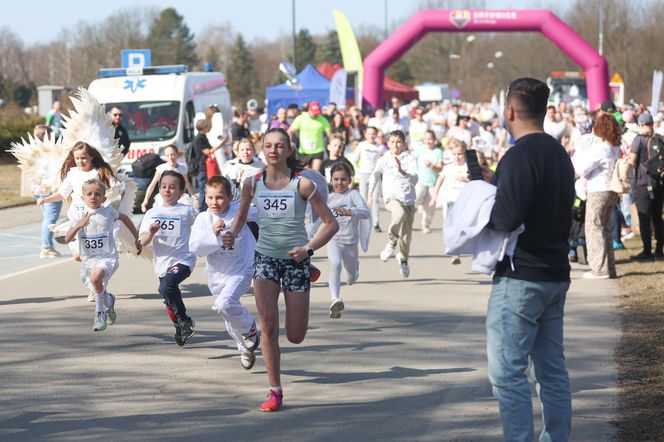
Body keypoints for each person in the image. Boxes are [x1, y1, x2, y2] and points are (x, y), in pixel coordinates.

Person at [486, 77, 575, 441]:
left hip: (522, 277)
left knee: (507, 373)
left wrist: (477, 210)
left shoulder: (519, 155)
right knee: (551, 372)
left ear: (509, 111)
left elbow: (506, 218)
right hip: (555, 272)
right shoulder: (558, 153)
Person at [226, 128, 338, 412]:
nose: (273, 150)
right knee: (269, 327)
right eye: (268, 145)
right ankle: (274, 391)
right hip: (265, 260)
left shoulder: (302, 185)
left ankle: (308, 271)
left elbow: (330, 223)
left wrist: (308, 250)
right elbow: (240, 218)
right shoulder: (252, 183)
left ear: (289, 150)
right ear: (262, 149)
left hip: (296, 261)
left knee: (296, 335)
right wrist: (231, 234)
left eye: (279, 146)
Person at [189, 176, 261, 369]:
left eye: (220, 197)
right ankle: (244, 349)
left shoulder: (241, 212)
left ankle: (250, 328)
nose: (215, 202)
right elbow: (195, 248)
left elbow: (266, 213)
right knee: (228, 315)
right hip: (217, 274)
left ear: (230, 197)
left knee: (225, 304)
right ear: (205, 197)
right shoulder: (203, 219)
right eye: (210, 198)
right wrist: (213, 235)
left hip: (242, 268)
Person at [64, 179, 141, 331]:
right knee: (95, 286)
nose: (93, 197)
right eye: (89, 194)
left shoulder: (109, 212)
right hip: (88, 261)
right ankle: (109, 301)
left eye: (98, 194)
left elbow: (125, 218)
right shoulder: (79, 215)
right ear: (83, 198)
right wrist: (79, 225)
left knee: (95, 278)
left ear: (104, 199)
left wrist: (136, 239)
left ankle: (100, 314)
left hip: (107, 258)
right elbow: (67, 238)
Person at [139, 171, 198, 346]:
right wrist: (151, 232)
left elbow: (202, 228)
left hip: (184, 259)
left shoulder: (187, 211)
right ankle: (180, 326)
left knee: (167, 286)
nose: (167, 190)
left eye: (173, 187)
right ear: (159, 189)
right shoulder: (152, 212)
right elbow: (142, 242)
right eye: (164, 187)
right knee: (168, 295)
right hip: (162, 262)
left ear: (181, 192)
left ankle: (185, 320)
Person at [38, 141, 118, 266]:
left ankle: (99, 275)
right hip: (76, 217)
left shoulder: (100, 172)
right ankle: (97, 275)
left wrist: (112, 197)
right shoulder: (72, 173)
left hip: (95, 218)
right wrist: (45, 200)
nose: (80, 161)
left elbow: (116, 189)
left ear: (91, 157)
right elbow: (62, 194)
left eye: (83, 158)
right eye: (77, 158)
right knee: (77, 255)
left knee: (97, 254)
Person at [312, 162, 369, 318]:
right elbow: (318, 220)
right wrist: (310, 233)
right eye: (336, 179)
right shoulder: (328, 198)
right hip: (333, 239)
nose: (339, 183)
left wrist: (350, 211)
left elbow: (366, 213)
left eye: (343, 179)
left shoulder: (353, 195)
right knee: (335, 264)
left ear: (350, 180)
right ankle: (334, 299)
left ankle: (354, 269)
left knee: (350, 278)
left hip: (351, 242)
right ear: (331, 180)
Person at [572, 113, 622, 278]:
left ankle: (599, 269)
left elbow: (583, 168)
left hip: (598, 190)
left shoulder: (601, 148)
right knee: (605, 229)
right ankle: (609, 267)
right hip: (612, 190)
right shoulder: (615, 148)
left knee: (594, 228)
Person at [369, 130, 418, 279]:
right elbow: (375, 175)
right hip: (392, 198)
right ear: (388, 143)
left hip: (408, 199)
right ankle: (391, 242)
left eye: (398, 142)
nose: (395, 145)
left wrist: (402, 171)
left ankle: (403, 259)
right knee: (398, 215)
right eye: (392, 142)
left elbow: (415, 180)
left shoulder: (409, 158)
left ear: (404, 144)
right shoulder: (384, 159)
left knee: (406, 236)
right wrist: (370, 194)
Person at [629, 112, 664, 260]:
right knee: (658, 217)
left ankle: (647, 251)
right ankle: (659, 250)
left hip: (643, 183)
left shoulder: (638, 140)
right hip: (659, 184)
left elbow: (632, 161)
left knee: (644, 218)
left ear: (641, 124)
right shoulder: (661, 139)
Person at [431, 138, 469, 264]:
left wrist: (466, 180)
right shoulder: (448, 168)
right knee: (450, 226)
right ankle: (454, 253)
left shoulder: (468, 167)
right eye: (454, 154)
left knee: (461, 228)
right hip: (451, 201)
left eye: (460, 154)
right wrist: (435, 195)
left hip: (465, 202)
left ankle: (456, 248)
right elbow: (440, 180)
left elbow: (477, 180)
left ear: (464, 154)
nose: (457, 157)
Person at [32, 124, 63, 258]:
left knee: (47, 217)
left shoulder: (33, 150)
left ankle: (47, 245)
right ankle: (46, 246)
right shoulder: (51, 151)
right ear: (47, 136)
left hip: (37, 189)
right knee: (50, 219)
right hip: (50, 189)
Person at [351, 126, 387, 232]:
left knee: (375, 199)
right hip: (363, 174)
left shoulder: (381, 147)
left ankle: (376, 223)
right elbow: (354, 159)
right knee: (362, 198)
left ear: (376, 135)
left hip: (375, 176)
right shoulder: (362, 145)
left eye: (373, 134)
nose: (371, 136)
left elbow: (387, 160)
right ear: (365, 134)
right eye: (369, 133)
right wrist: (356, 172)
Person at [141, 145, 196, 212]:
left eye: (173, 154)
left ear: (177, 154)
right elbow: (152, 184)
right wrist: (145, 200)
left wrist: (193, 195)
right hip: (164, 197)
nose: (171, 157)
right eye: (168, 155)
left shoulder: (183, 168)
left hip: (179, 197)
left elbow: (187, 182)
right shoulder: (161, 168)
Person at [414, 130, 444, 234]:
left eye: (430, 139)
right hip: (420, 180)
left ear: (434, 140)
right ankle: (409, 218)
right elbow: (411, 161)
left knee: (430, 206)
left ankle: (425, 224)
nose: (428, 141)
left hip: (433, 183)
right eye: (426, 139)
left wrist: (432, 166)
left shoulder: (438, 152)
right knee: (416, 198)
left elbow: (440, 168)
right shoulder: (419, 150)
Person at [288, 101, 331, 172]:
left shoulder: (323, 119)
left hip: (318, 151)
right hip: (304, 151)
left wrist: (331, 143)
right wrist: (289, 143)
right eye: (314, 113)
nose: (315, 115)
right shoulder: (301, 118)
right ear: (309, 110)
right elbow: (290, 131)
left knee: (315, 173)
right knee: (305, 174)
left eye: (317, 112)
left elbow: (330, 134)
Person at [194, 119, 223, 211]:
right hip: (202, 166)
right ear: (203, 127)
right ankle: (202, 209)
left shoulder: (203, 137)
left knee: (206, 188)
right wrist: (222, 143)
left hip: (206, 166)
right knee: (203, 189)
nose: (209, 127)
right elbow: (208, 151)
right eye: (207, 126)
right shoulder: (199, 138)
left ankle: (205, 208)